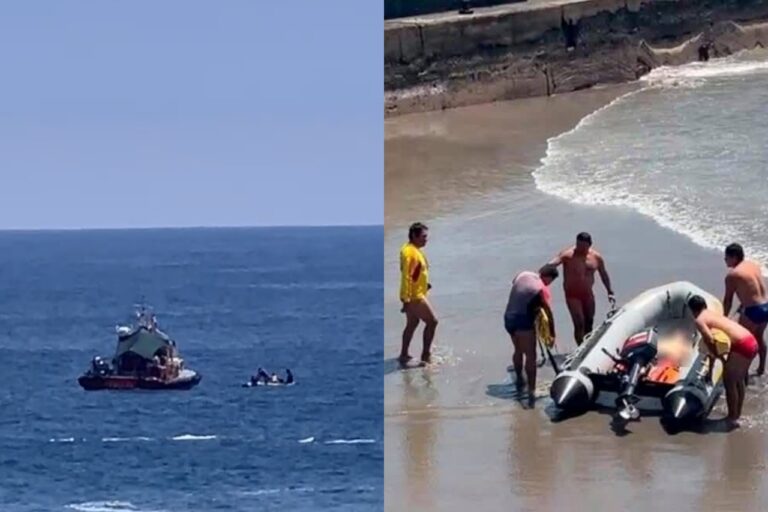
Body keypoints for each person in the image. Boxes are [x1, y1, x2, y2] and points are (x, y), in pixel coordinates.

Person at [688, 295, 757, 428]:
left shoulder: (699, 320)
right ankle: (737, 415)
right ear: (704, 306)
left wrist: (718, 356)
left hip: (742, 345)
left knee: (729, 380)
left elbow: (709, 339)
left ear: (692, 310)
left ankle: (731, 418)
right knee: (739, 380)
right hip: (750, 340)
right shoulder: (712, 314)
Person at [503, 264, 559, 403]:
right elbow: (548, 312)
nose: (549, 284)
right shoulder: (541, 288)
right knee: (531, 356)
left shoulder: (523, 274)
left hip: (509, 317)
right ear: (548, 278)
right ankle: (532, 392)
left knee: (518, 350)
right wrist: (552, 334)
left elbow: (520, 290)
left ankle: (520, 380)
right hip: (523, 321)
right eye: (550, 282)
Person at [548, 232, 614, 346]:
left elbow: (603, 274)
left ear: (589, 245)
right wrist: (538, 275)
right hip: (572, 295)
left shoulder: (596, 257)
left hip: (588, 295)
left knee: (589, 321)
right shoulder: (568, 255)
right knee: (579, 323)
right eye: (578, 246)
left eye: (583, 247)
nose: (580, 249)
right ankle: (580, 347)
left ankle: (587, 346)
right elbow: (552, 263)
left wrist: (609, 291)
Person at [722, 243, 768, 375]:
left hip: (753, 311)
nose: (725, 260)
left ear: (734, 257)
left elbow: (728, 300)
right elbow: (752, 291)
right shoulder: (753, 265)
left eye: (726, 258)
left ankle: (743, 373)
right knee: (759, 337)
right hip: (766, 307)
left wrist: (723, 319)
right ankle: (761, 368)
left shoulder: (732, 276)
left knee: (740, 343)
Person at [399, 222, 438, 365]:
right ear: (414, 236)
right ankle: (426, 356)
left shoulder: (410, 248)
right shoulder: (411, 253)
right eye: (423, 236)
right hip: (414, 296)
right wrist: (406, 299)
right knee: (432, 322)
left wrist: (425, 284)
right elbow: (407, 277)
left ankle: (404, 354)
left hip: (417, 292)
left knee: (412, 323)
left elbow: (415, 273)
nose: (426, 239)